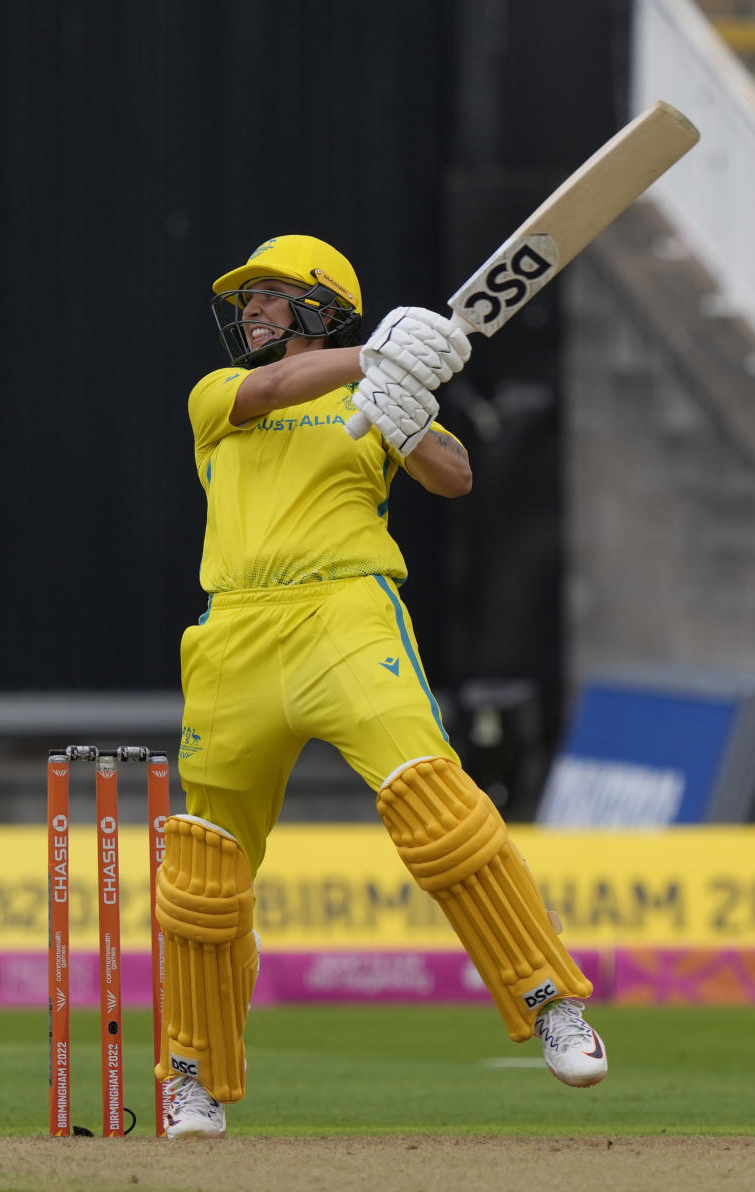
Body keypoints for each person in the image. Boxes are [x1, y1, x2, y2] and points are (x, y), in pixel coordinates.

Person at [154, 235, 607, 1139]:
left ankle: (551, 998)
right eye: (247, 300)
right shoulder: (219, 396)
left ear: (320, 306)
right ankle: (191, 1076)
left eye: (271, 297)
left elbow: (456, 476)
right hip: (235, 632)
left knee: (436, 805)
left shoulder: (377, 401)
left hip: (345, 617)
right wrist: (374, 355)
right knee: (205, 871)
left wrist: (403, 415)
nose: (250, 312)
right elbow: (277, 388)